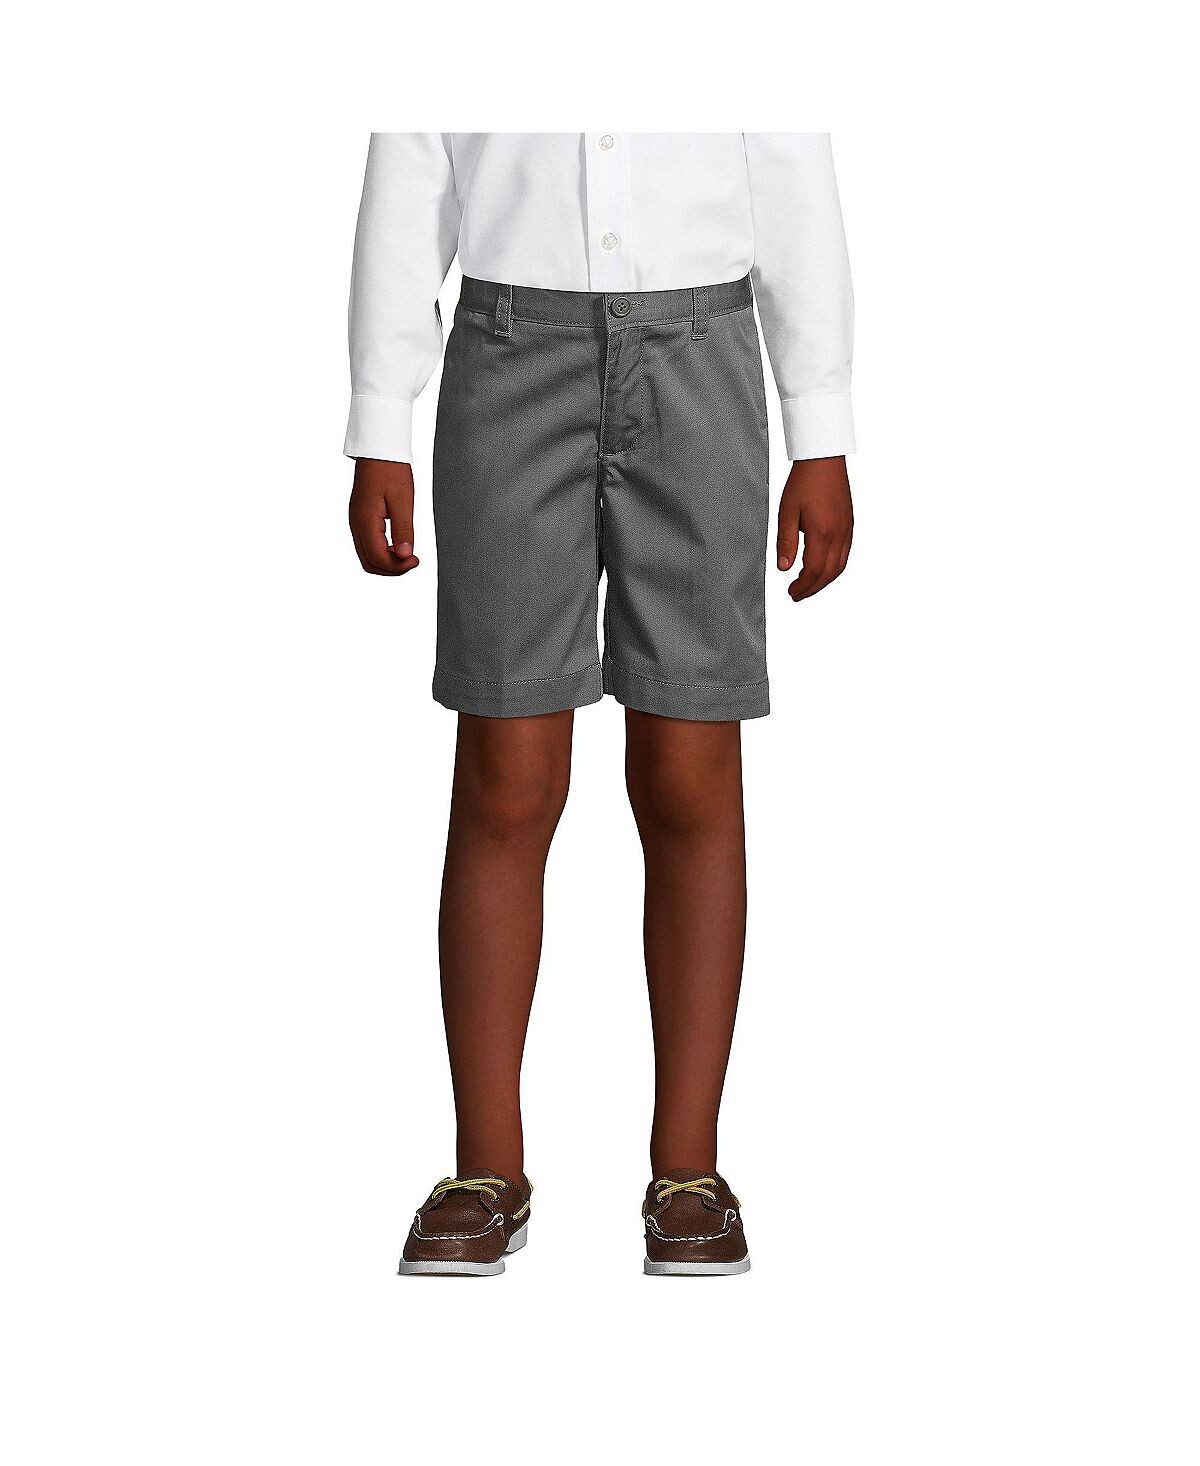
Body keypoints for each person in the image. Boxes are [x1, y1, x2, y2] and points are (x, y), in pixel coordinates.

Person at [345, 133, 855, 1276]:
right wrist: (381, 417)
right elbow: (411, 158)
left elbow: (791, 165)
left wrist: (819, 425)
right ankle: (486, 1165)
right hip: (507, 350)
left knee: (690, 766)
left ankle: (689, 1168)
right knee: (505, 770)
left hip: (702, 350)